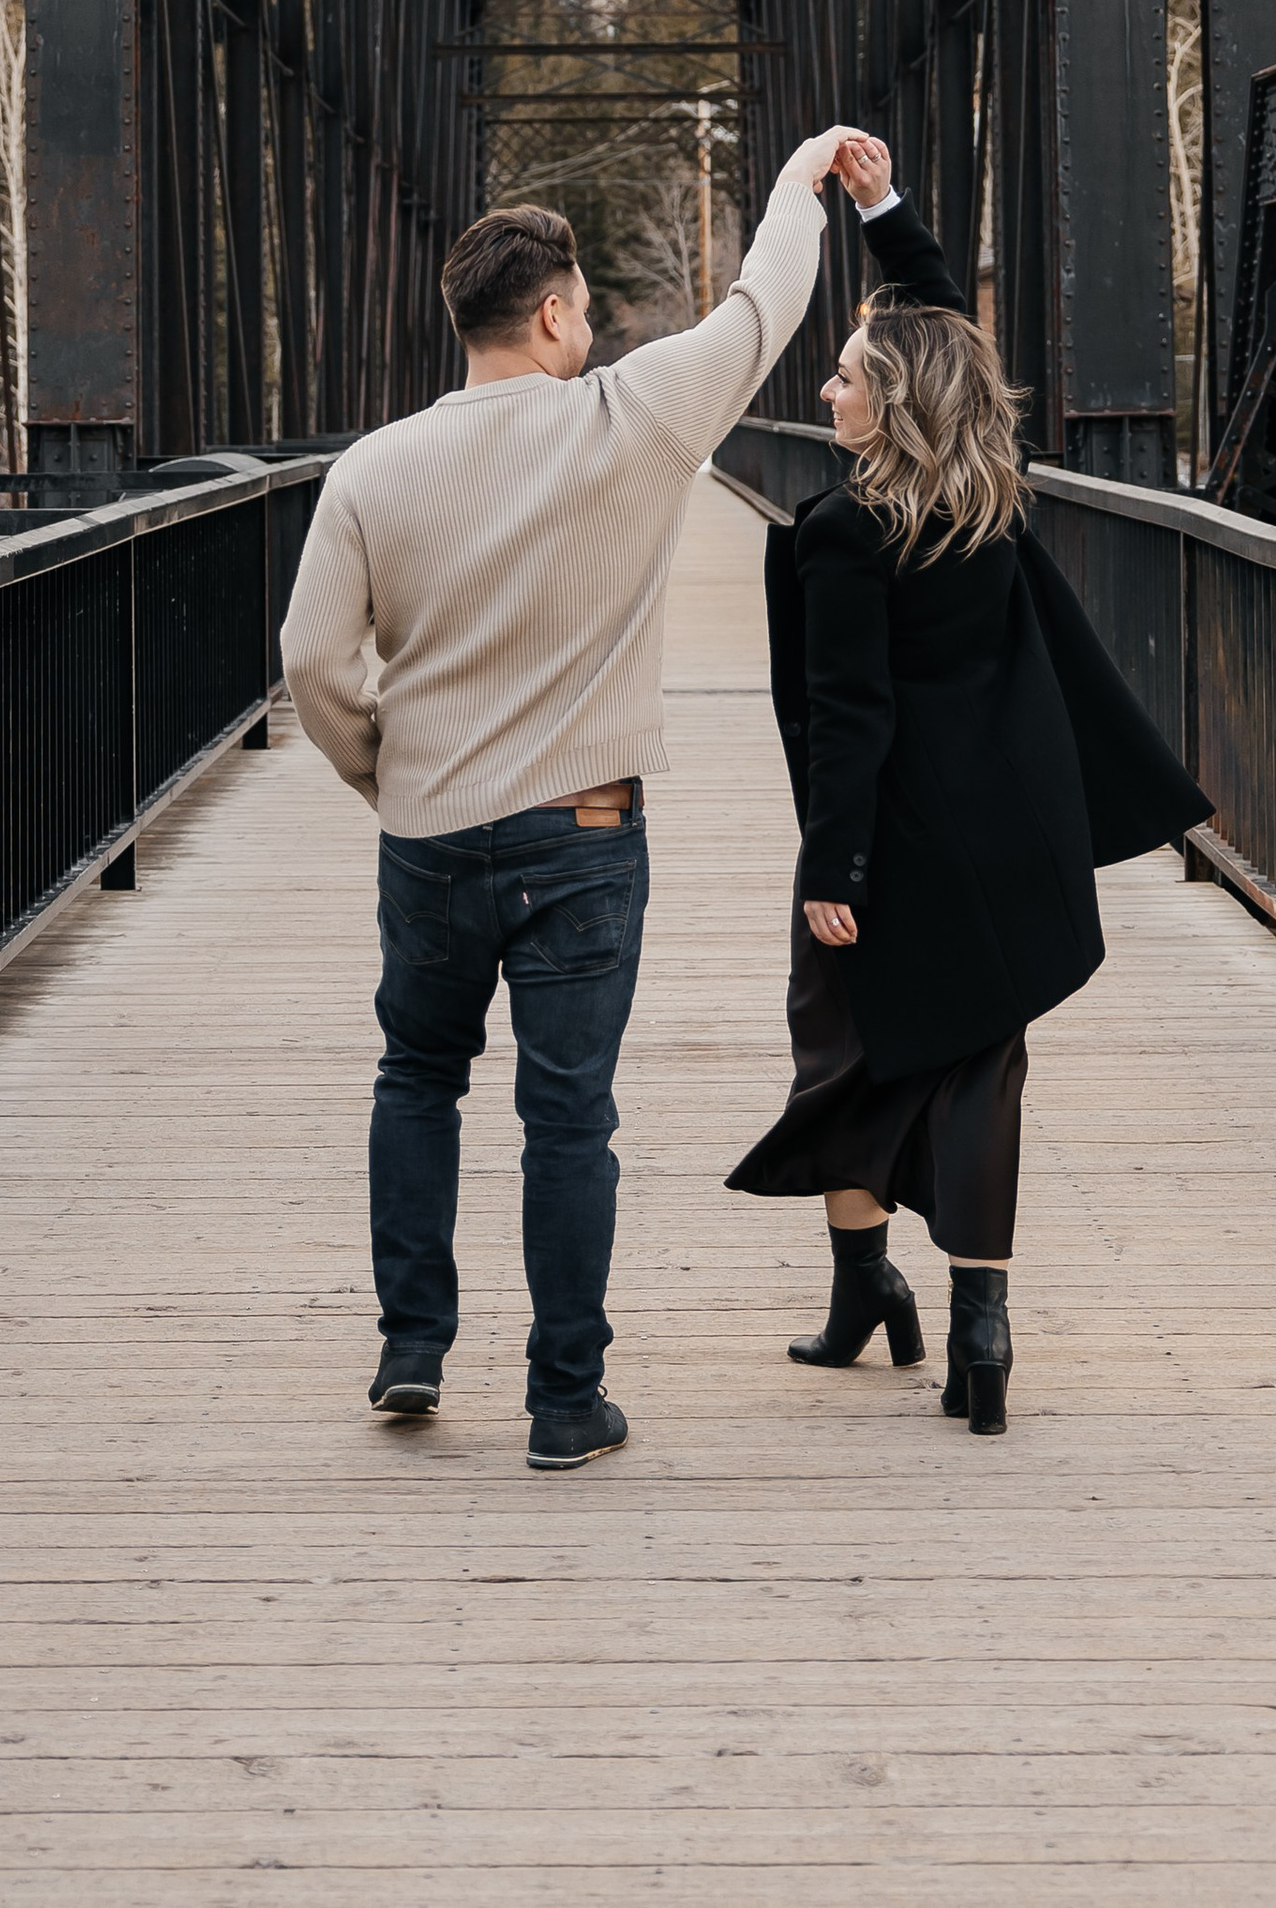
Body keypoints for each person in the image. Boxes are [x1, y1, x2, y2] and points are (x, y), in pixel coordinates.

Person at [281, 120, 865, 1472]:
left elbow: (311, 659)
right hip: (587, 833)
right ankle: (562, 1401)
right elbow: (765, 304)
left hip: (427, 831)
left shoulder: (371, 469)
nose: (593, 337)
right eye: (586, 316)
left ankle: (414, 1342)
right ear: (550, 318)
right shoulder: (636, 418)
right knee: (569, 1117)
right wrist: (797, 182)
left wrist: (387, 770)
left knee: (419, 1073)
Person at [727, 135, 1211, 1434]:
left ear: (887, 406)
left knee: (844, 1056)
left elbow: (849, 716)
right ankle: (979, 1331)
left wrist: (834, 869)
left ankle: (860, 1291)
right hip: (1013, 833)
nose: (824, 389)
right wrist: (886, 206)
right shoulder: (987, 494)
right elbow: (943, 334)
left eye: (842, 378)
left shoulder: (841, 531)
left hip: (889, 840)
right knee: (981, 1072)